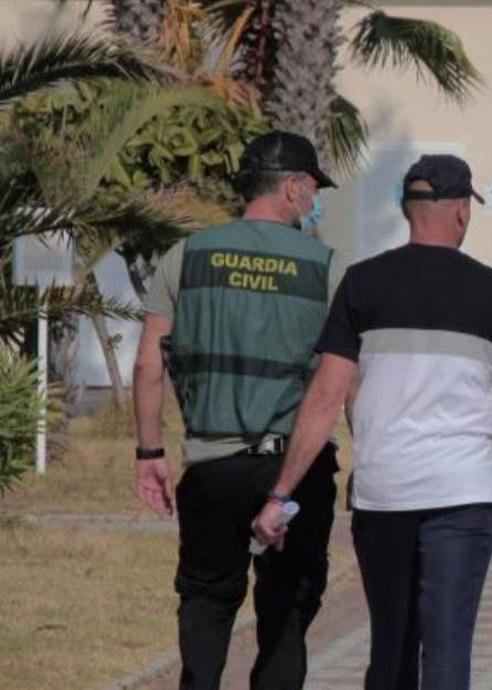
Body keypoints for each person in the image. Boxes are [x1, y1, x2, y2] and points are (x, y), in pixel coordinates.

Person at [253, 154, 492, 690]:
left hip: (383, 495)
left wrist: (280, 494)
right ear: (461, 212)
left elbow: (325, 396)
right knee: (447, 651)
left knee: (390, 647)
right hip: (463, 497)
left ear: (406, 209)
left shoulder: (363, 284)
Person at [132, 130, 341, 689]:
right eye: (315, 187)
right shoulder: (326, 267)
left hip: (211, 465)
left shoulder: (186, 255)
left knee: (205, 605)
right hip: (295, 472)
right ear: (293, 187)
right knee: (286, 614)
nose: (317, 199)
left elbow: (148, 364)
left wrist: (149, 451)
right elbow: (341, 379)